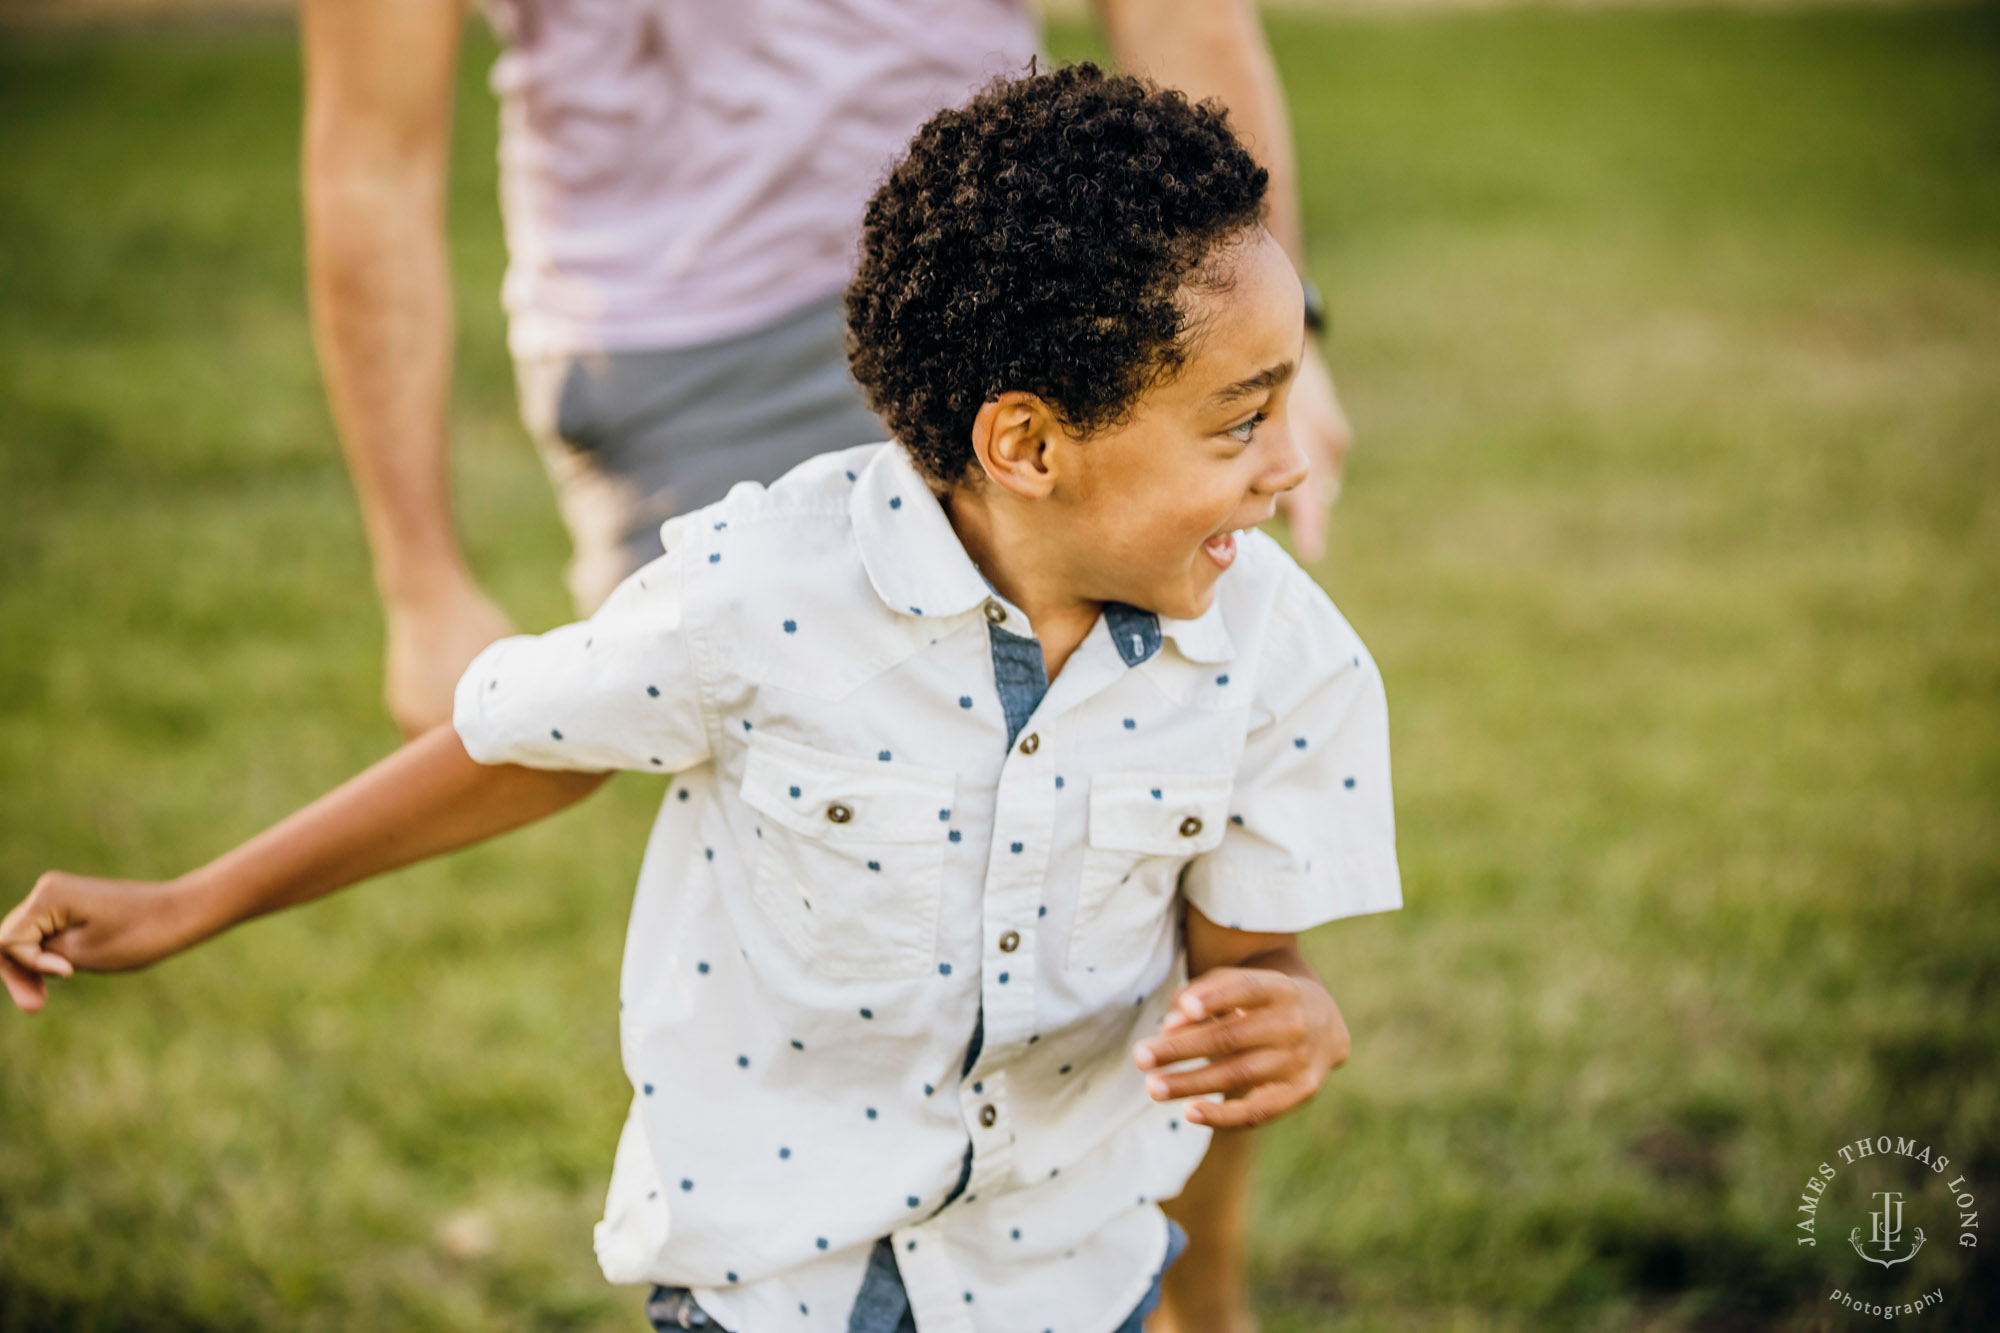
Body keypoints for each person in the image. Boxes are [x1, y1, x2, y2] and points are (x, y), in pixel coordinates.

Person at [7, 66, 1396, 1333]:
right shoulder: (766, 594)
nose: (1289, 464)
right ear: (1026, 443)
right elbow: (524, 742)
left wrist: (1292, 1009)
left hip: (1069, 1281)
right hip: (774, 1290)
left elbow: (1249, 963)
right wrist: (200, 897)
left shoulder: (1282, 662)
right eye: (1240, 418)